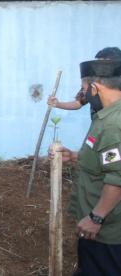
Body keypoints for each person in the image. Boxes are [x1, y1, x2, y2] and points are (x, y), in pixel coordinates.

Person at [50, 59, 121, 275]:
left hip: (106, 230)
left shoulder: (113, 125)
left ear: (95, 88)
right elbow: (103, 156)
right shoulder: (105, 116)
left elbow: (117, 177)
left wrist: (95, 217)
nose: (81, 95)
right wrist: (75, 156)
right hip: (99, 225)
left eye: (83, 89)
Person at [47, 47, 121, 114]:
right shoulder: (91, 83)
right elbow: (78, 103)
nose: (99, 67)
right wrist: (57, 104)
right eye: (98, 63)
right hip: (99, 124)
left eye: (103, 64)